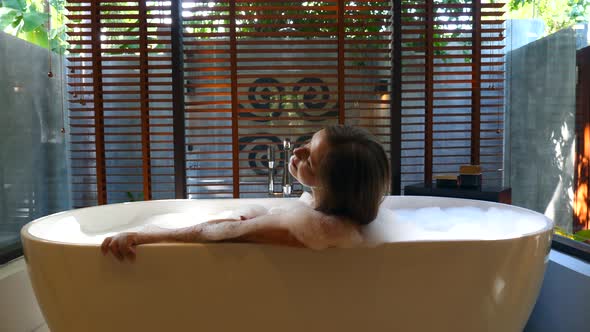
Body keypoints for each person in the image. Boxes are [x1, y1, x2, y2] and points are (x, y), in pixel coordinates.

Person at [101, 125, 390, 261]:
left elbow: (220, 232)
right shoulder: (343, 214)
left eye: (309, 158)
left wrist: (147, 234)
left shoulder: (316, 230)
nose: (297, 151)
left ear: (329, 184)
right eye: (307, 142)